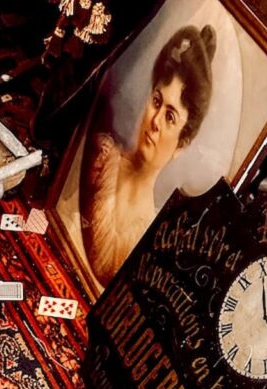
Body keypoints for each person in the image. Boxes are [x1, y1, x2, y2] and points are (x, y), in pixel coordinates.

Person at [80, 24, 217, 286]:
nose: (155, 121)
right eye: (156, 101)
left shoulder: (151, 237)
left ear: (182, 145)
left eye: (170, 117)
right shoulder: (100, 156)